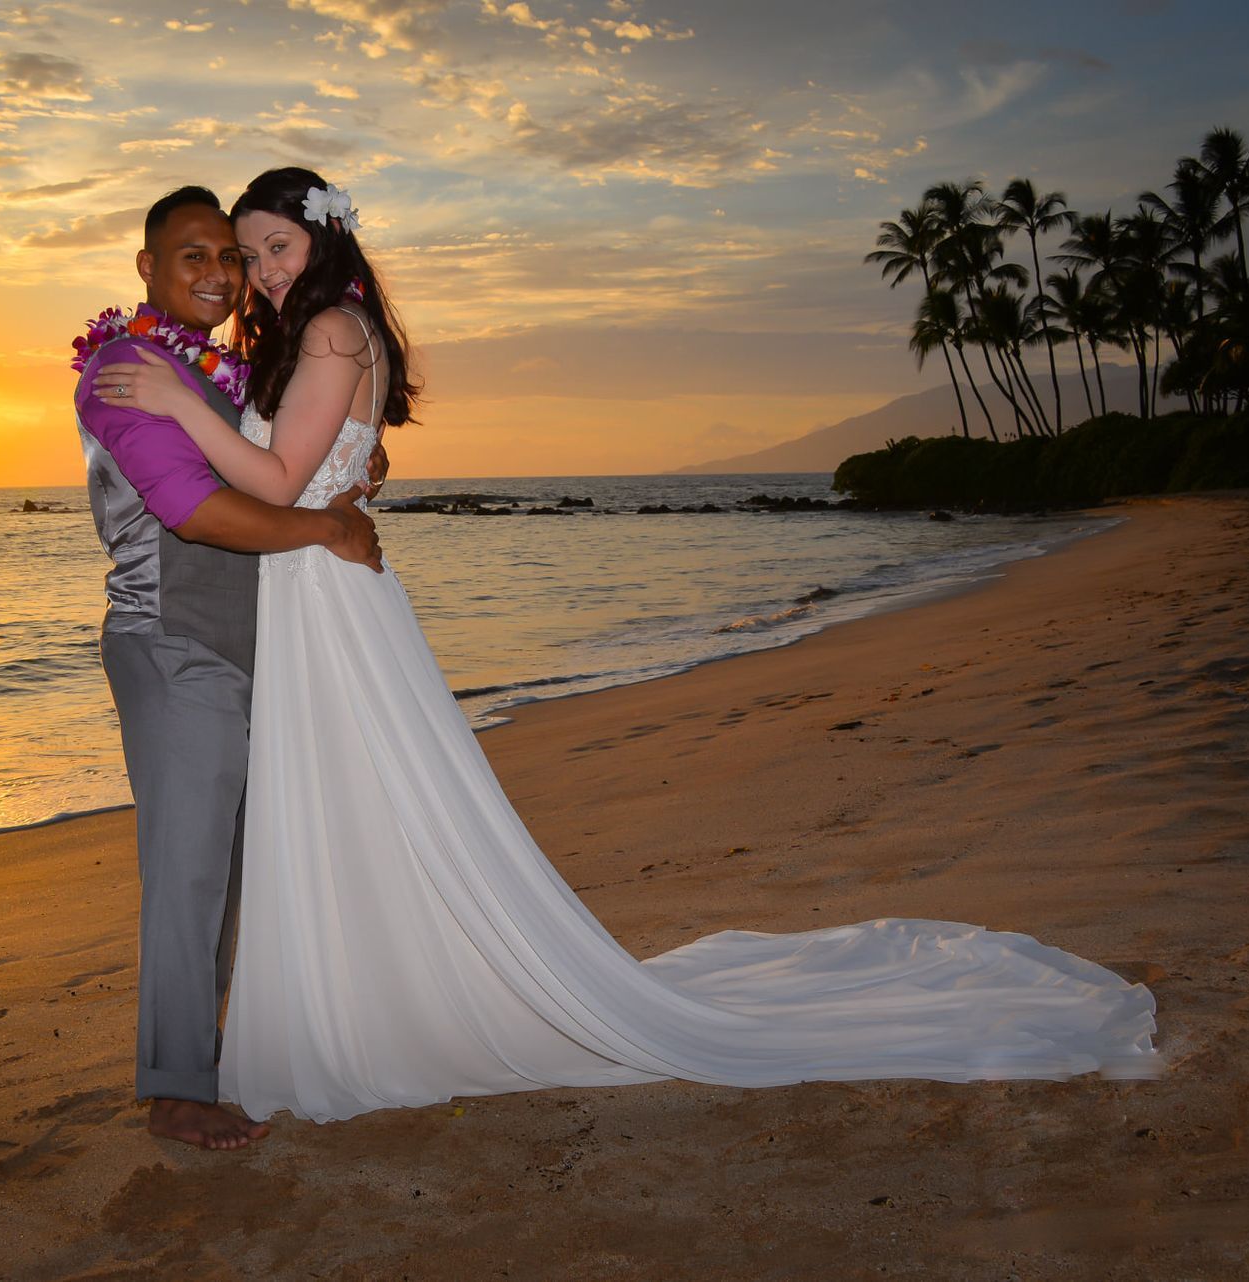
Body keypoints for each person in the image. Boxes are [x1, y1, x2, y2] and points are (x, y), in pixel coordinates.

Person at [93, 167, 1160, 1126]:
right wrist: (335, 476)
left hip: (323, 600)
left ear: (323, 243)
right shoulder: (304, 340)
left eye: (273, 246)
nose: (258, 270)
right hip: (314, 600)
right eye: (246, 252)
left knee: (361, 807)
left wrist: (214, 420)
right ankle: (350, 995)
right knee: (352, 810)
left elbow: (276, 482)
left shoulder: (323, 335)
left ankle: (356, 1011)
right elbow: (312, 465)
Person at [73, 185, 383, 1149]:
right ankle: (174, 1087)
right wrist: (324, 524)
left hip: (265, 647)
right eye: (193, 256)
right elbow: (192, 511)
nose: (219, 274)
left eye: (232, 258)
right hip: (175, 644)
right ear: (148, 269)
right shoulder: (124, 371)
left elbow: (286, 452)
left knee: (239, 869)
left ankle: (217, 1050)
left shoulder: (227, 368)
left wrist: (350, 475)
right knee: (189, 871)